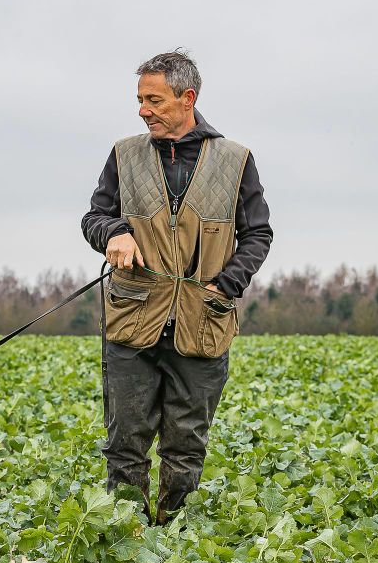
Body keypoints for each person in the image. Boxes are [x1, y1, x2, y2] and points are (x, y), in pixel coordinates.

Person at [81, 50, 273, 525]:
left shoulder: (235, 160)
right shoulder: (124, 154)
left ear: (187, 99)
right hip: (132, 321)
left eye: (154, 100)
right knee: (124, 443)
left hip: (203, 322)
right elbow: (94, 217)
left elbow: (258, 235)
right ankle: (125, 539)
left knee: (186, 447)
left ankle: (173, 541)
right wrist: (114, 234)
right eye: (140, 100)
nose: (143, 110)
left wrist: (226, 285)